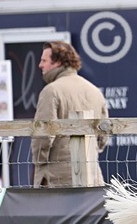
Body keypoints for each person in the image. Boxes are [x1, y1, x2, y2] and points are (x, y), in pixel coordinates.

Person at [32, 40, 109, 187]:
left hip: (58, 178)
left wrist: (40, 163)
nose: (40, 65)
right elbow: (103, 136)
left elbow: (43, 136)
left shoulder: (51, 91)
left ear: (58, 62)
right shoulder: (94, 91)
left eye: (44, 60)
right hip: (92, 176)